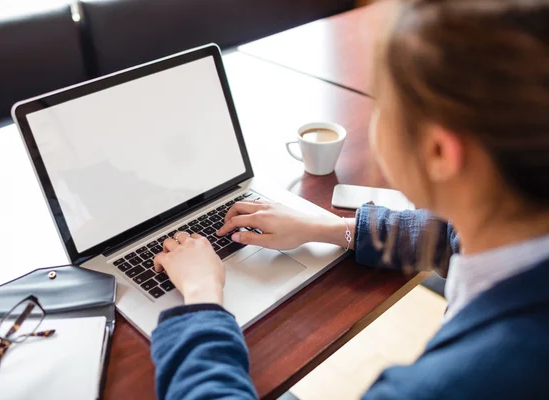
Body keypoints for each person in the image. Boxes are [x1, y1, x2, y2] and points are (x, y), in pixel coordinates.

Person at [149, 0, 549, 398]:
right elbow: (451, 238)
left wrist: (201, 298)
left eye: (382, 106)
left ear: (440, 152)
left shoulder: (449, 385)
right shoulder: (516, 226)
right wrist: (330, 228)